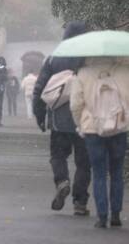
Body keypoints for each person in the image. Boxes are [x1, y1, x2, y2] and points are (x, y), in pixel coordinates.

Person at [33, 21, 91, 216]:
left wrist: (40, 116)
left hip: (59, 120)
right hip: (85, 119)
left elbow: (39, 89)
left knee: (58, 156)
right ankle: (80, 202)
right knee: (84, 162)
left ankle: (62, 181)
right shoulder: (89, 59)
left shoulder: (53, 60)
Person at [71, 56, 129, 228]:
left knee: (98, 172)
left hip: (92, 128)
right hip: (119, 127)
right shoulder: (125, 71)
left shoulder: (82, 73)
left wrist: (80, 124)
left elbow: (75, 105)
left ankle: (102, 216)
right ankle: (116, 214)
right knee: (117, 171)